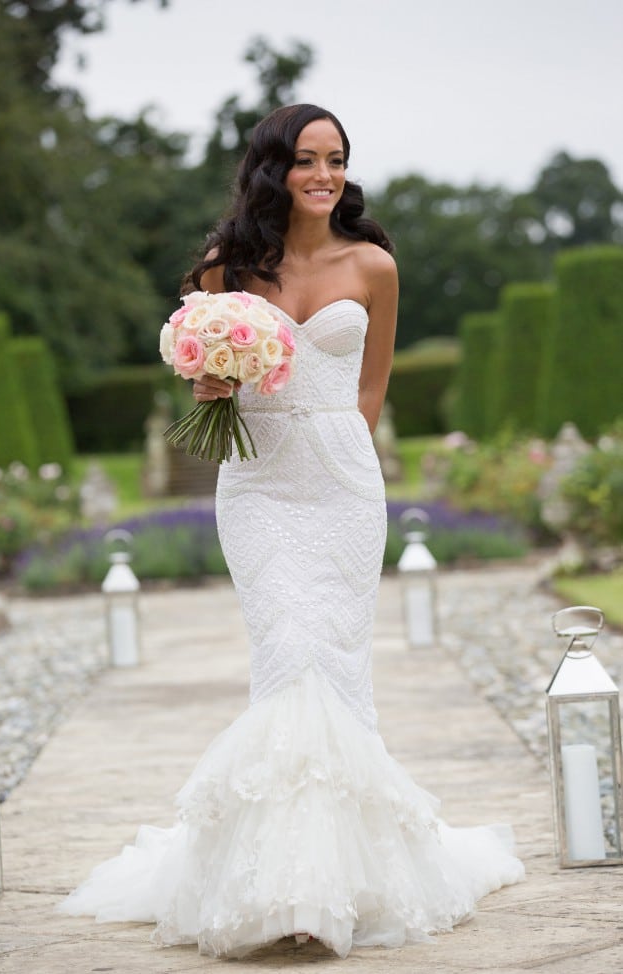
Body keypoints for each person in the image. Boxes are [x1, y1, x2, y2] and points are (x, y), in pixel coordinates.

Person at [58, 104, 524, 958]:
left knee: (338, 674)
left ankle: (337, 882)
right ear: (275, 168)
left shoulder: (374, 265)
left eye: (337, 160)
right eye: (307, 160)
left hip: (343, 488)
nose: (325, 175)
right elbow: (210, 382)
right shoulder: (226, 268)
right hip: (259, 491)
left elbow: (371, 388)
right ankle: (280, 886)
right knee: (289, 657)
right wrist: (208, 389)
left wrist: (341, 453)